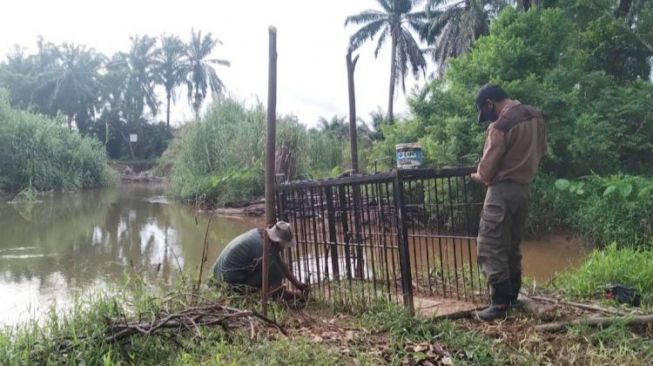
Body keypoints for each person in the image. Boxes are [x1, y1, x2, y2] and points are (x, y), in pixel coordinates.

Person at [470, 84, 547, 321]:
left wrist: (475, 175)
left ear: (490, 104)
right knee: (512, 244)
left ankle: (500, 304)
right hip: (524, 189)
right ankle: (513, 295)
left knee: (491, 245)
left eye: (485, 111)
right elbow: (542, 151)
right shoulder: (535, 116)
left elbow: (486, 171)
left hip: (501, 191)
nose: (487, 117)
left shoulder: (500, 126)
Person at [212, 221, 309, 301]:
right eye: (284, 246)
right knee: (275, 276)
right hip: (229, 284)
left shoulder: (259, 234)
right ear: (278, 243)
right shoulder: (266, 253)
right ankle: (245, 295)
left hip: (217, 276)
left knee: (275, 269)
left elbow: (281, 263)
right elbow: (277, 290)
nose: (284, 248)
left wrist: (297, 284)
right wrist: (298, 297)